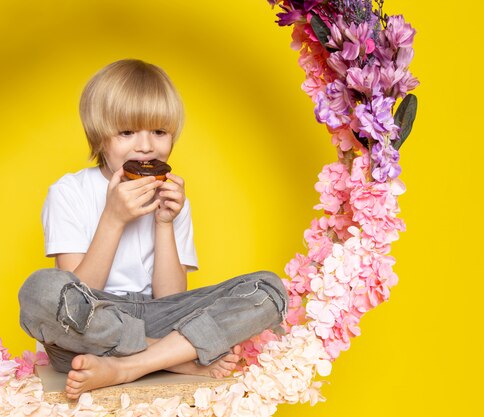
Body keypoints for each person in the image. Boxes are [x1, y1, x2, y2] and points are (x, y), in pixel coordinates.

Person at [18, 59, 288, 400]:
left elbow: (170, 297)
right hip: (97, 317)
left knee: (268, 289)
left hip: (159, 315)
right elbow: (77, 294)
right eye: (127, 132)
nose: (145, 146)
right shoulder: (69, 192)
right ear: (100, 137)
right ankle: (172, 356)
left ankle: (129, 365)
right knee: (40, 290)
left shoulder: (176, 200)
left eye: (159, 132)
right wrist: (114, 219)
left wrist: (165, 223)